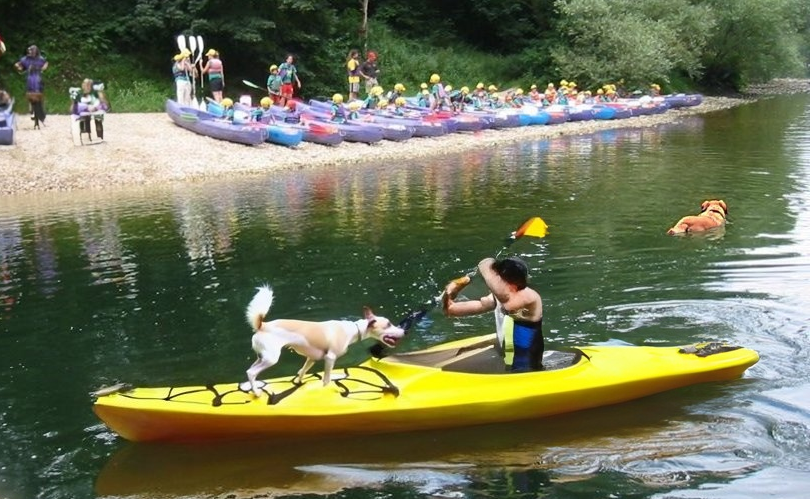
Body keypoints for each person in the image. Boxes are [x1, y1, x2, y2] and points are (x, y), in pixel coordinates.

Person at [443, 257, 544, 372]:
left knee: (523, 371)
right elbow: (472, 306)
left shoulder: (529, 296)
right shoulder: (501, 295)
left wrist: (486, 265)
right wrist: (449, 297)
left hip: (528, 351)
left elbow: (485, 265)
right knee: (509, 366)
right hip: (509, 349)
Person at [14, 45, 48, 127]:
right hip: (30, 81)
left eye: (33, 51)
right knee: (30, 96)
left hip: (38, 81)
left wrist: (43, 68)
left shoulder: (40, 59)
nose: (31, 52)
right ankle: (32, 110)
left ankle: (40, 115)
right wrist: (19, 67)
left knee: (39, 98)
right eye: (30, 51)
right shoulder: (26, 59)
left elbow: (45, 63)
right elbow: (18, 64)